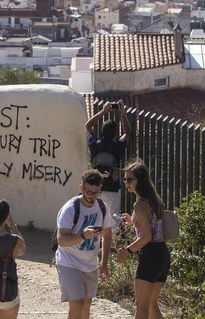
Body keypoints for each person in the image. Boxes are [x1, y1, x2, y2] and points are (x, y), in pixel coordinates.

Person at [55, 169, 114, 319]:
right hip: (69, 262)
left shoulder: (101, 207)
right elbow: (61, 240)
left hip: (90, 263)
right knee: (77, 303)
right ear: (81, 188)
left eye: (96, 193)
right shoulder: (70, 209)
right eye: (89, 192)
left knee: (87, 304)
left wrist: (104, 263)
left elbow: (107, 235)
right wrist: (82, 235)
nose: (93, 197)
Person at [117, 162, 170, 319]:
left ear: (140, 180)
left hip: (150, 255)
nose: (126, 182)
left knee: (141, 308)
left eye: (129, 179)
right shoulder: (154, 200)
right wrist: (132, 222)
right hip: (163, 254)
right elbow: (152, 226)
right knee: (152, 304)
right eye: (125, 179)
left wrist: (127, 251)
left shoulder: (139, 204)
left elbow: (146, 237)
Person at [84, 100, 131, 216]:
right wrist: (122, 112)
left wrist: (103, 111)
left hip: (95, 187)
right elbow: (128, 133)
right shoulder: (117, 146)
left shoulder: (94, 144)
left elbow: (88, 126)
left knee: (95, 217)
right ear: (115, 133)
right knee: (112, 220)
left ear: (101, 131)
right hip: (113, 188)